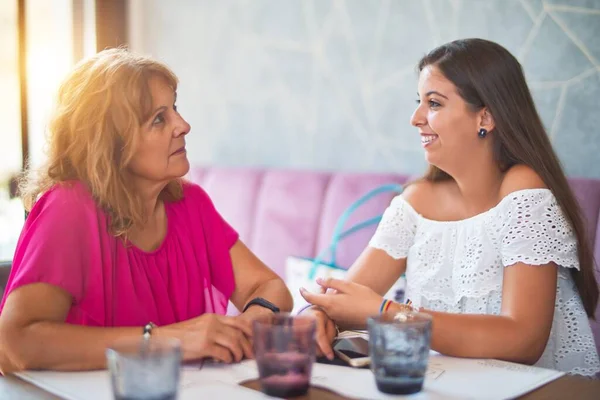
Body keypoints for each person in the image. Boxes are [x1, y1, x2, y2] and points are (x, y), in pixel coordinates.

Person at [300, 38, 600, 376]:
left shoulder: (523, 190)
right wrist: (318, 317)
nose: (416, 118)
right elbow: (345, 298)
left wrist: (388, 312)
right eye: (420, 102)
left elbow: (524, 340)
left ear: (484, 116)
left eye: (434, 103)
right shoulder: (415, 202)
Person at [0, 48, 292, 373]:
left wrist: (249, 323)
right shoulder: (69, 208)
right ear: (111, 145)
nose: (183, 125)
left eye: (175, 108)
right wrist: (168, 341)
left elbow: (269, 287)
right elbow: (15, 342)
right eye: (158, 119)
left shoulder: (190, 204)